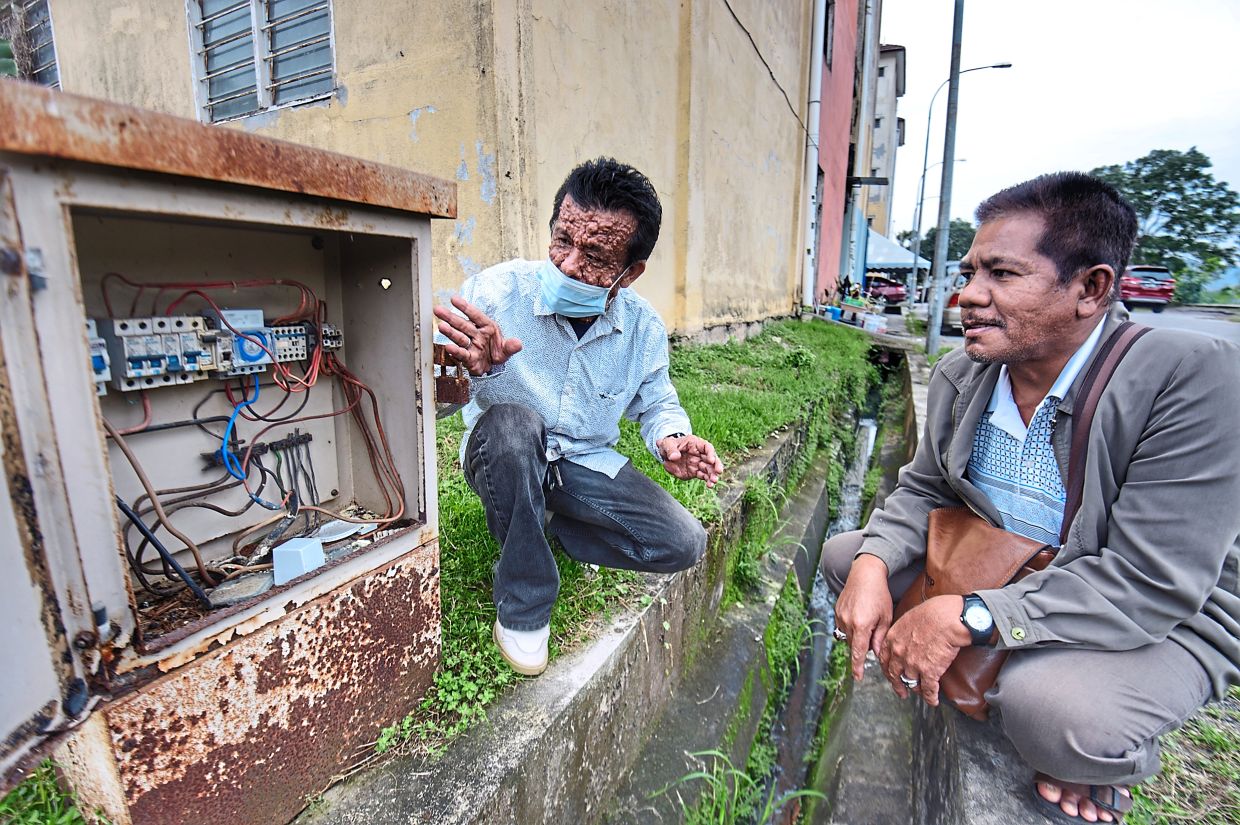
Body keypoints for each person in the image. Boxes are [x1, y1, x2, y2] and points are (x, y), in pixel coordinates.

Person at [820, 172, 1240, 823]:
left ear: (1091, 289)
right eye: (969, 271)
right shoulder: (968, 372)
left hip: (1159, 608)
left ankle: (1099, 758)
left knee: (1052, 712)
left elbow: (1151, 579)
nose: (968, 295)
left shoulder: (1188, 378)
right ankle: (996, 669)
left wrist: (969, 616)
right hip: (1009, 565)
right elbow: (926, 487)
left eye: (1002, 274)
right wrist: (876, 565)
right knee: (848, 559)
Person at [433, 158, 724, 677]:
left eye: (594, 255)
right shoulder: (495, 293)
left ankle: (545, 523)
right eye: (562, 240)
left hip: (581, 462)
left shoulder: (642, 329)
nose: (568, 265)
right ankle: (525, 599)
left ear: (629, 273)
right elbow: (431, 405)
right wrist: (463, 374)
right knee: (512, 424)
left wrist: (673, 436)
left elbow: (656, 400)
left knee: (682, 542)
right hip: (502, 451)